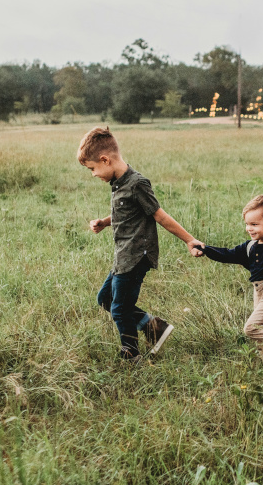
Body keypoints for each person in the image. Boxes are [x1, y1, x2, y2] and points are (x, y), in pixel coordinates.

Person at [78, 126, 204, 361]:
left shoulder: (137, 183)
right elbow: (125, 213)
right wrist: (105, 222)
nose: (93, 174)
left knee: (119, 308)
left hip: (136, 256)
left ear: (105, 160)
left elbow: (160, 216)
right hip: (123, 255)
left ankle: (131, 354)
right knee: (105, 299)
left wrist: (190, 240)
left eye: (93, 168)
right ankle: (153, 327)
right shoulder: (117, 183)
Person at [195, 195, 263, 369]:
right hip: (259, 295)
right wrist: (205, 249)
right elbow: (227, 254)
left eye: (254, 224)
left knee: (252, 328)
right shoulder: (249, 247)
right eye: (247, 224)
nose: (249, 228)